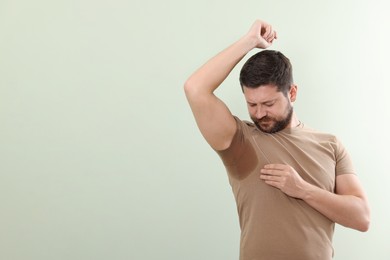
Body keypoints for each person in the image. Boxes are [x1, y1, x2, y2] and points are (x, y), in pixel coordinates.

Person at [183, 19, 370, 260]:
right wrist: (249, 41)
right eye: (252, 104)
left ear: (292, 93)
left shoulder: (330, 144)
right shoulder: (240, 141)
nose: (259, 113)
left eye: (269, 104)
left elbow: (362, 217)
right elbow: (195, 88)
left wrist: (301, 189)